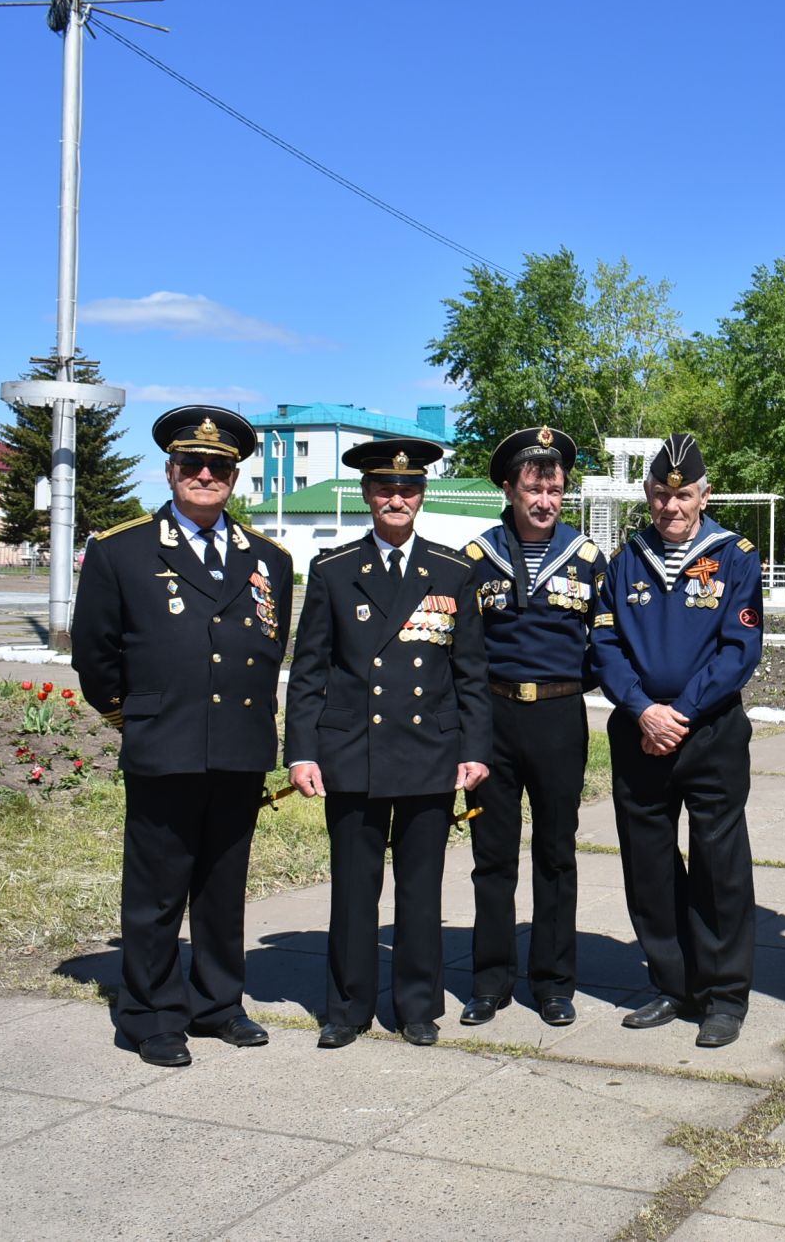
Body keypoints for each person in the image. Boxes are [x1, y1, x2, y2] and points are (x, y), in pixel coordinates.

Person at [71, 406, 294, 1067]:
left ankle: (219, 1002)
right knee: (157, 890)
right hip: (163, 745)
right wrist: (137, 717)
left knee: (224, 887)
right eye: (191, 463)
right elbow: (95, 656)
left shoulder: (268, 558)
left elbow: (269, 647)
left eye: (218, 466)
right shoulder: (122, 550)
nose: (204, 474)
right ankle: (151, 1012)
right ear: (169, 470)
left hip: (238, 747)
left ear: (234, 475)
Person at [284, 439, 491, 1049]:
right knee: (353, 886)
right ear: (367, 495)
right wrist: (302, 751)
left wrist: (474, 748)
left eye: (407, 489)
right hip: (353, 752)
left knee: (421, 889)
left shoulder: (454, 572)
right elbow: (310, 671)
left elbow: (470, 673)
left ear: (422, 496)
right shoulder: (333, 569)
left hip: (430, 752)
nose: (396, 498)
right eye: (384, 488)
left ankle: (417, 1005)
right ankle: (346, 1008)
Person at [591, 434, 763, 1049]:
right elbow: (605, 646)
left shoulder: (736, 556)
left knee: (719, 865)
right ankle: (673, 982)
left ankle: (723, 996)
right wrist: (642, 710)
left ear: (704, 494)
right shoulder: (625, 560)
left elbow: (739, 651)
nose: (672, 507)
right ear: (647, 495)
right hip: (640, 733)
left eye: (684, 495)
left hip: (709, 732)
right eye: (661, 495)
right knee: (649, 863)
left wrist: (679, 713)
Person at [458, 425, 604, 1030]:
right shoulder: (475, 558)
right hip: (492, 721)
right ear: (508, 489)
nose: (545, 501)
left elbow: (611, 642)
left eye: (555, 490)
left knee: (555, 853)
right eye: (533, 488)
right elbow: (460, 648)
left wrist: (572, 687)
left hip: (558, 719)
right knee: (492, 858)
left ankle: (553, 983)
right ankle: (490, 983)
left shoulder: (591, 559)